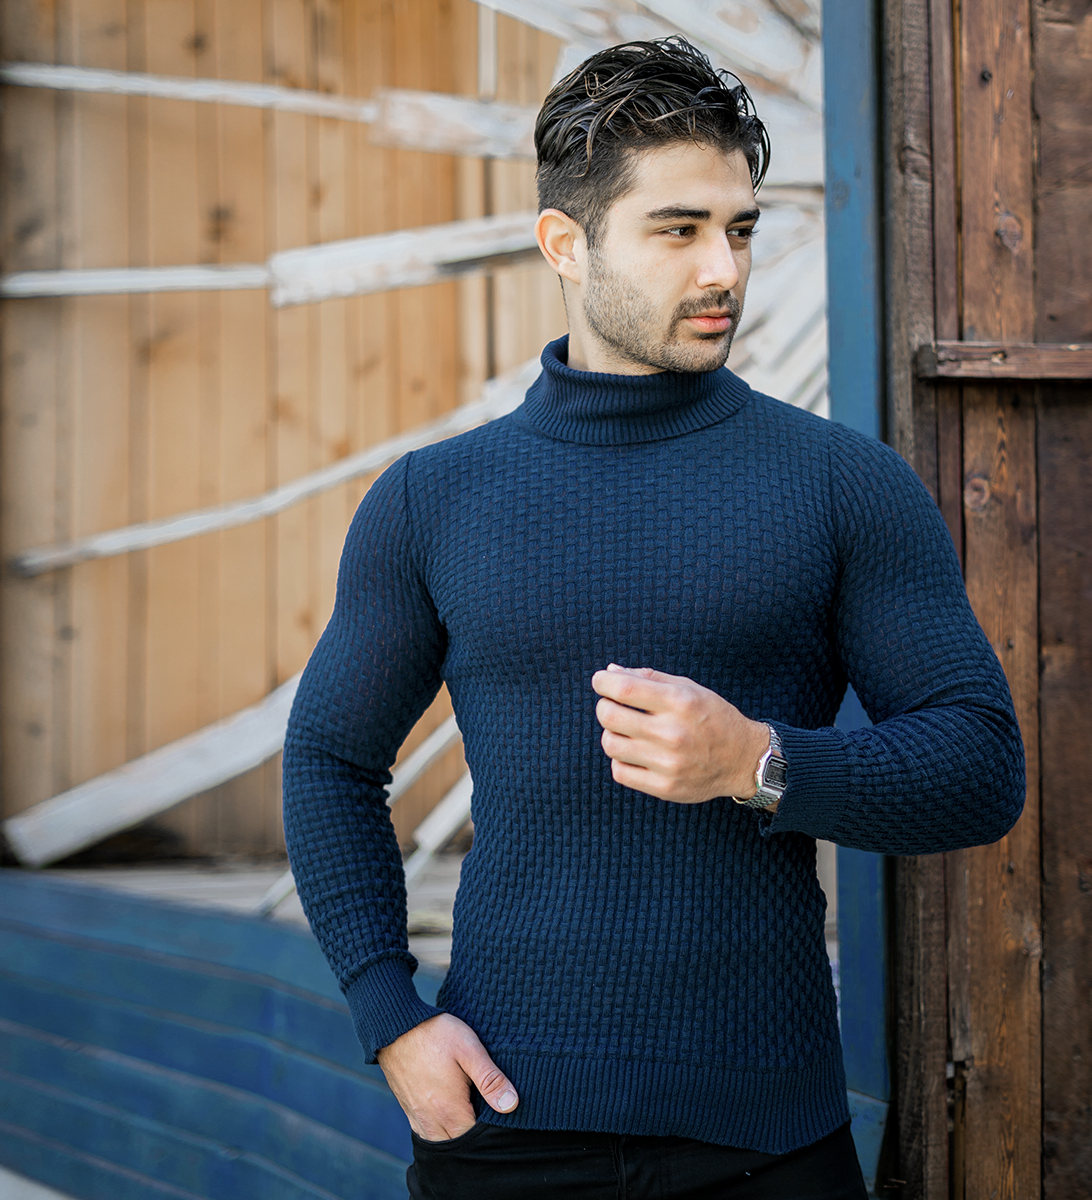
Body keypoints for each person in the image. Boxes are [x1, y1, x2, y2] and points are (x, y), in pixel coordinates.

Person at [282, 37, 1025, 1199]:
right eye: (678, 230)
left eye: (740, 229)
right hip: (503, 1127)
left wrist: (762, 764)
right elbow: (330, 760)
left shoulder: (842, 484)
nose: (723, 268)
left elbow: (981, 766)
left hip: (768, 1138)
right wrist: (390, 1016)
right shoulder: (434, 499)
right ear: (565, 243)